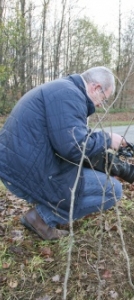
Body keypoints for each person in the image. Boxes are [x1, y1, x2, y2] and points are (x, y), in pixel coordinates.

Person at [0, 66, 125, 240]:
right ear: (96, 87)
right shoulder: (70, 95)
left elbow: (68, 139)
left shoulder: (65, 89)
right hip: (23, 170)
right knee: (114, 190)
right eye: (104, 99)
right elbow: (73, 147)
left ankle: (46, 210)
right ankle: (41, 218)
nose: (100, 105)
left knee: (90, 177)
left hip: (18, 164)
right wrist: (107, 139)